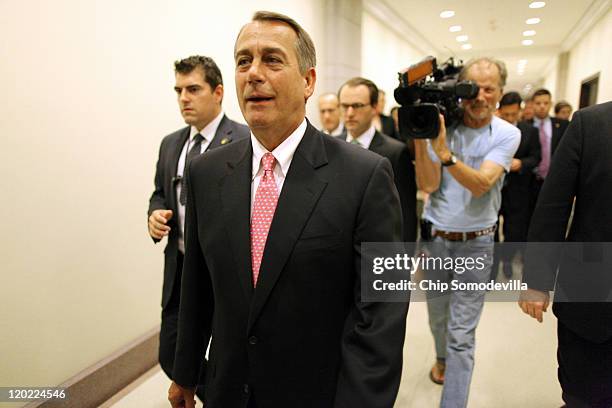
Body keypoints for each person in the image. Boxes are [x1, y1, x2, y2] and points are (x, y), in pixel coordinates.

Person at [168, 11, 408, 408]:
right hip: (228, 390)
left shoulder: (365, 175)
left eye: (272, 60)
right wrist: (186, 371)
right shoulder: (206, 173)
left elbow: (382, 312)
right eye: (243, 61)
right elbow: (197, 284)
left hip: (317, 393)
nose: (254, 74)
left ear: (308, 81)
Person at [414, 57, 520, 407]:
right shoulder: (445, 126)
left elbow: (481, 185)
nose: (479, 96)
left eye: (489, 89)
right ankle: (441, 358)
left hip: (477, 244)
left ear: (500, 93)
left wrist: (444, 154)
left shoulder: (507, 133)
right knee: (438, 316)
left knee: (462, 333)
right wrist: (422, 134)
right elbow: (428, 184)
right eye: (472, 87)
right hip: (437, 240)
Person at [147, 55, 249, 395]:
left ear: (218, 92)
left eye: (193, 89)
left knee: (227, 352)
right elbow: (159, 193)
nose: (183, 99)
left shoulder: (244, 141)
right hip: (179, 268)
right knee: (171, 354)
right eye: (178, 90)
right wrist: (156, 213)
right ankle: (214, 393)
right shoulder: (171, 144)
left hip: (224, 272)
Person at [519, 101, 612, 407]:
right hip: (592, 298)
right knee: (583, 392)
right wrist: (537, 280)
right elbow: (554, 205)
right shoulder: (592, 123)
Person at [338, 77, 417, 242]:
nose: (350, 113)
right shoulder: (331, 146)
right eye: (345, 106)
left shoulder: (395, 152)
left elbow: (406, 212)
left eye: (358, 106)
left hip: (377, 245)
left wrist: (403, 259)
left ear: (375, 108)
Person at [495, 91, 541, 278]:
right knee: (492, 231)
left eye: (513, 114)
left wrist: (521, 164)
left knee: (514, 231)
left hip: (518, 189)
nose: (509, 118)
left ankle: (507, 260)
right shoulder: (493, 129)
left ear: (520, 111)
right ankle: (490, 270)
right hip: (495, 189)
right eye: (506, 115)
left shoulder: (530, 131)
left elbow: (536, 157)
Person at [525, 88, 569, 211]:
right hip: (529, 180)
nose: (542, 107)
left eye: (546, 103)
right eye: (538, 103)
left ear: (551, 104)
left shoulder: (562, 125)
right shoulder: (524, 126)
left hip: (553, 180)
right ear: (532, 104)